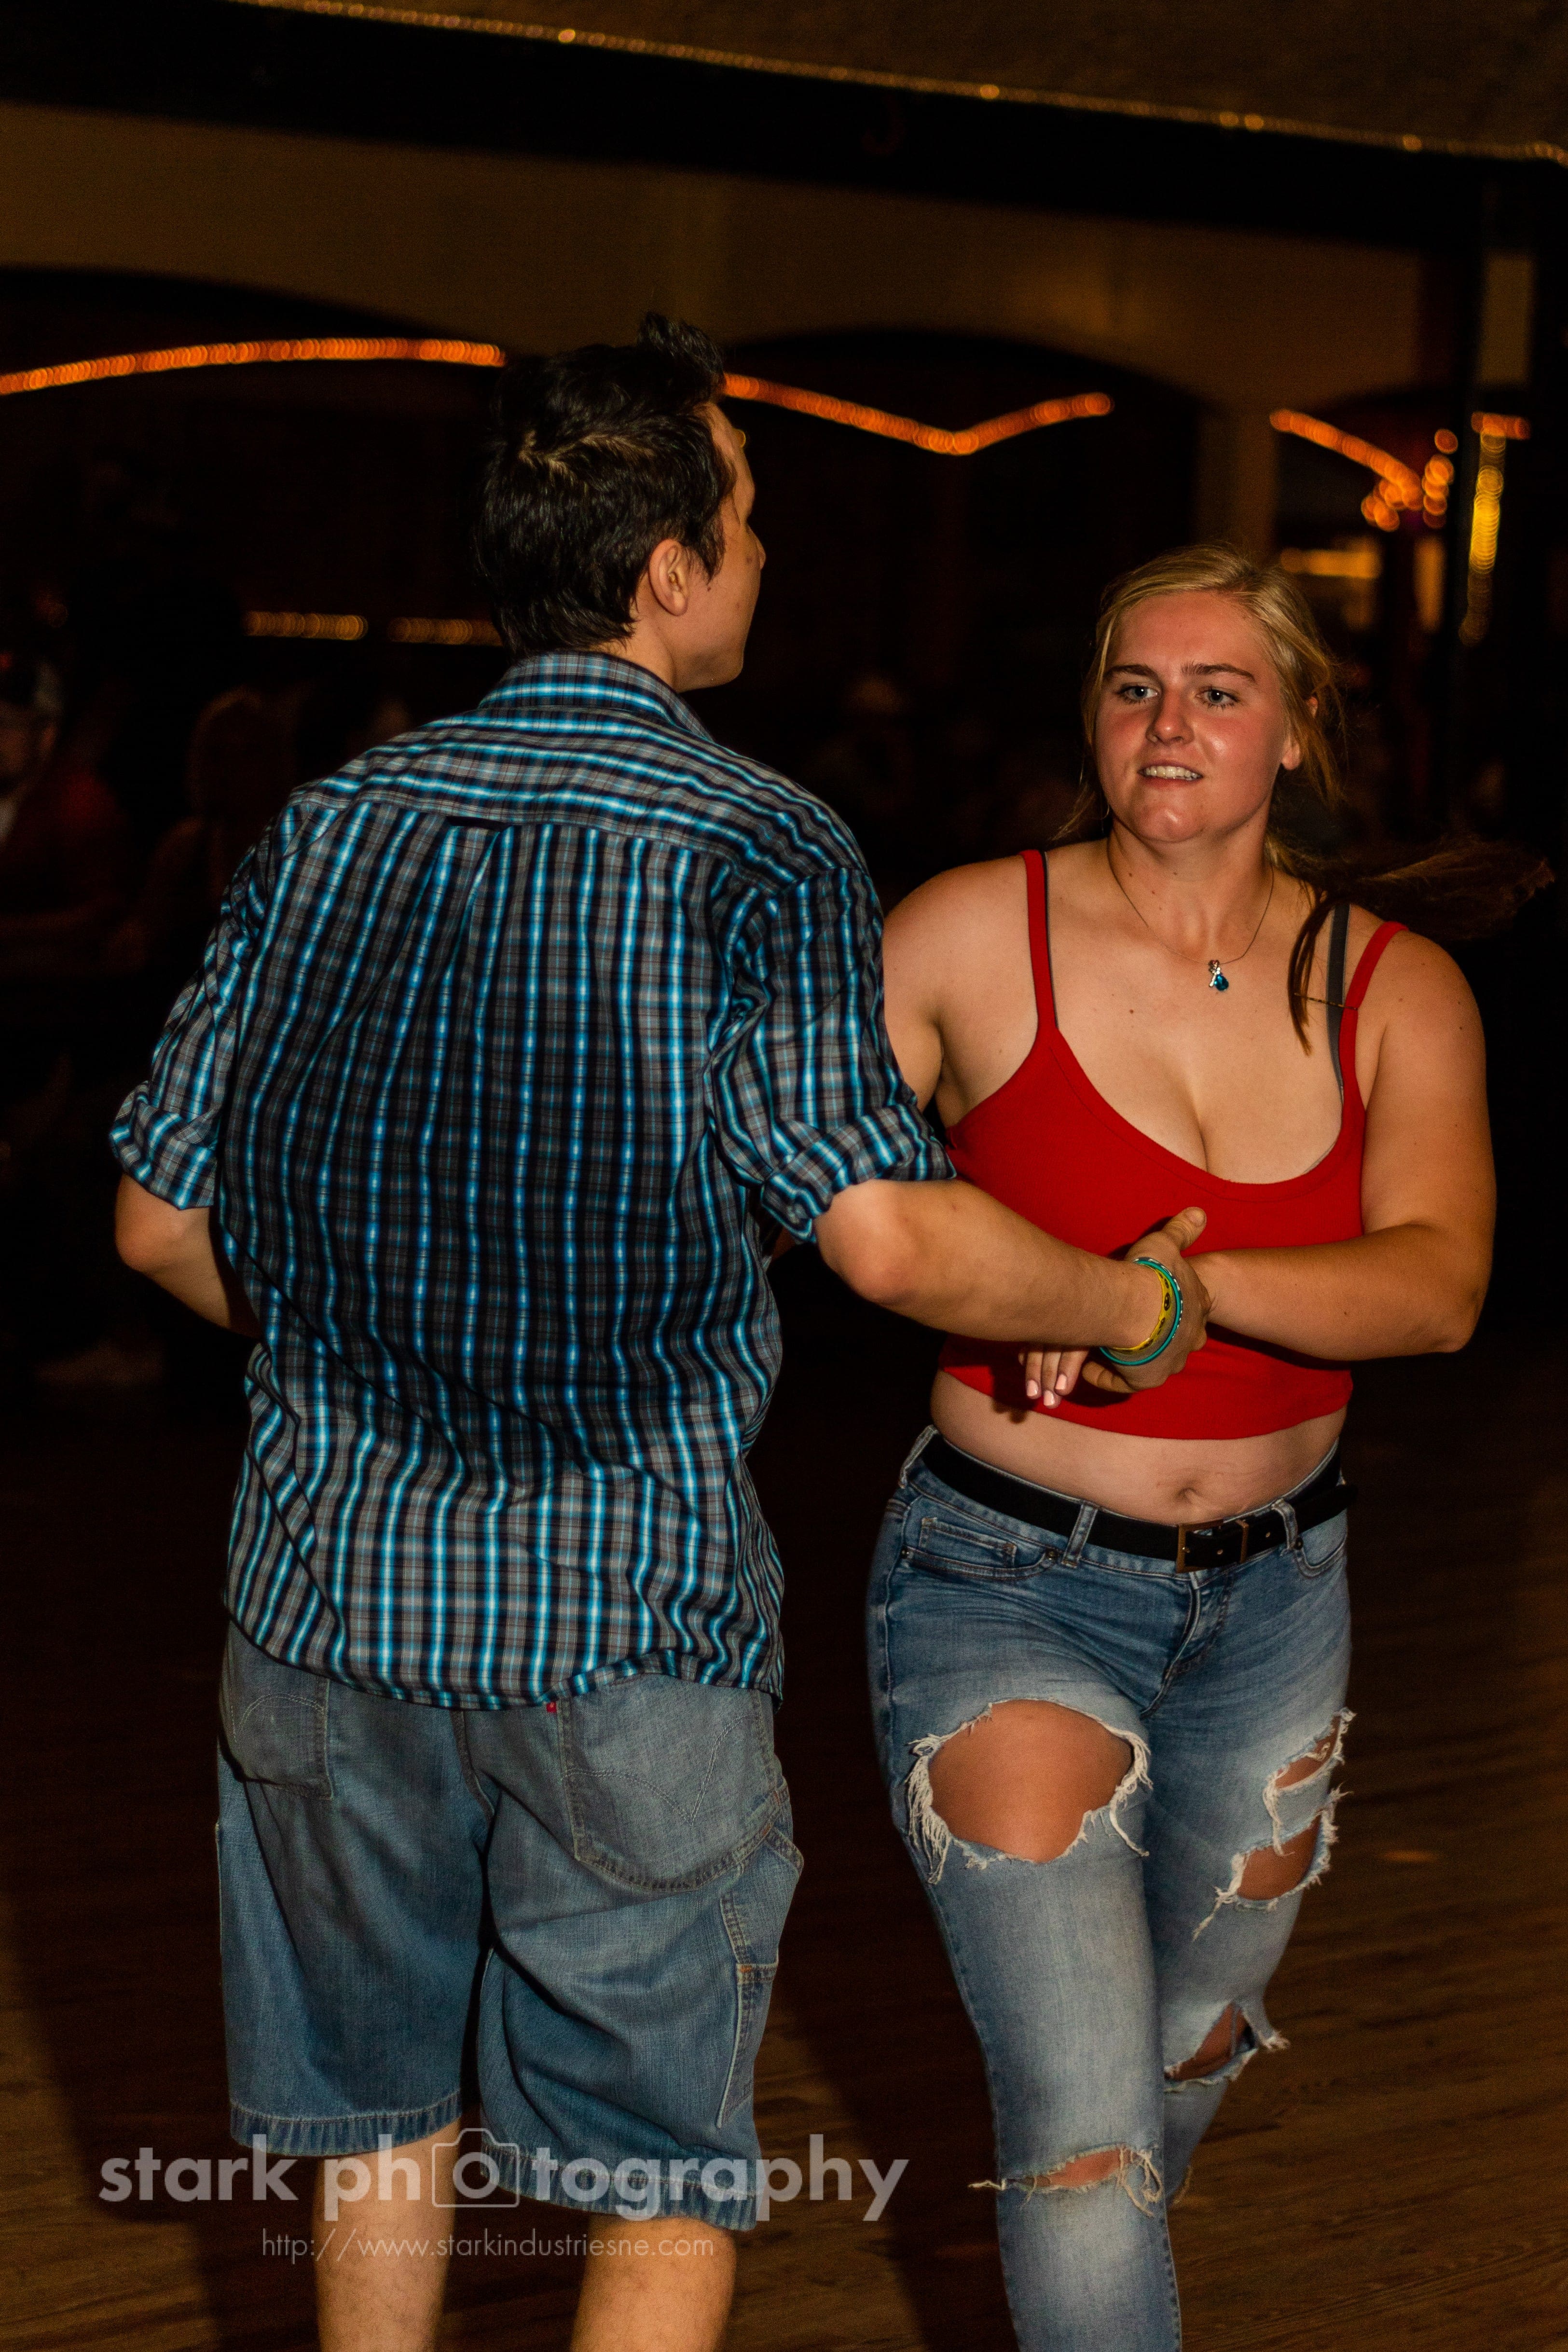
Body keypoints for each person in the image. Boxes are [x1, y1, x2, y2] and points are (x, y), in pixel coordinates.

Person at [110, 316, 1210, 2352]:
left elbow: (157, 1221)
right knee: (659, 2174)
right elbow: (886, 1235)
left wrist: (372, 1354)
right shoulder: (755, 843)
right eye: (753, 516)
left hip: (322, 1602)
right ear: (669, 569)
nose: (769, 553)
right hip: (623, 1618)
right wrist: (1134, 1300)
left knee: (374, 2129)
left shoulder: (334, 822)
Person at [870, 542, 1498, 2352]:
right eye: (1134, 685)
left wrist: (1180, 1291)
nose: (1169, 722)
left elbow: (1438, 1285)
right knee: (1082, 2143)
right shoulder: (964, 934)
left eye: (1220, 690)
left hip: (1278, 1608)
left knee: (1181, 2060)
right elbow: (824, 1201)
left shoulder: (1395, 985)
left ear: (1295, 729)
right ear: (1091, 715)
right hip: (1003, 1583)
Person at [102, 687, 295, 988]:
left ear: (276, 760)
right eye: (218, 754)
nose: (232, 769)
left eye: (249, 753)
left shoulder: (300, 850)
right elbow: (142, 929)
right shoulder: (185, 847)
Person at [0, 645, 132, 978]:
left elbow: (103, 915)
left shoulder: (80, 804)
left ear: (46, 735)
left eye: (6, 724)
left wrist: (13, 931)